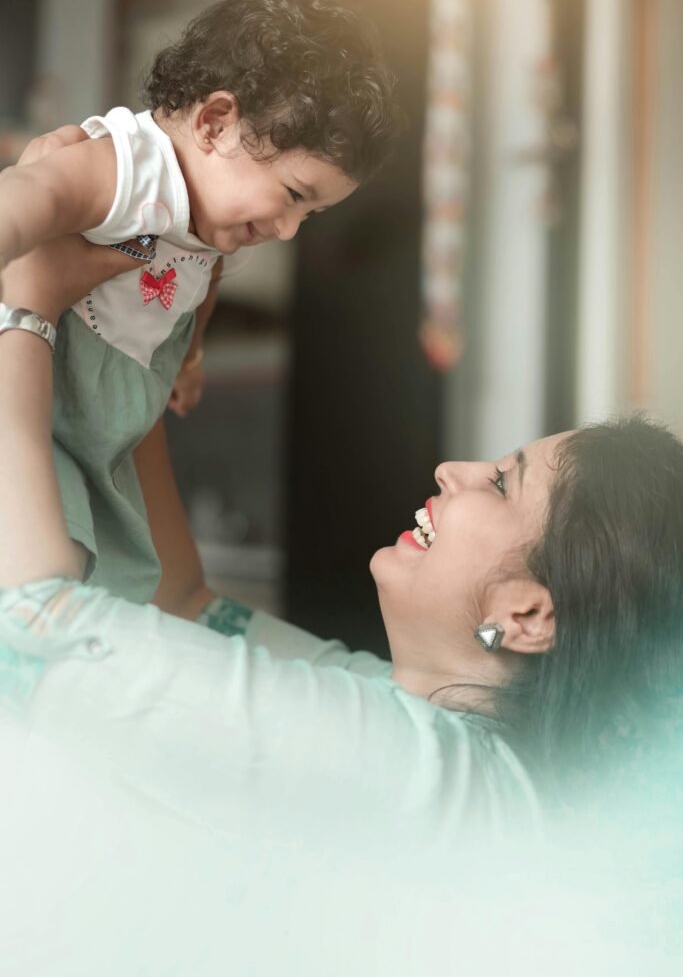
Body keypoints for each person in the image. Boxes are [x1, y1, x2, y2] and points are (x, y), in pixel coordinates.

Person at [1, 313, 682, 971]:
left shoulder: (437, 782)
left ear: (530, 615)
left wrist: (24, 307)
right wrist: (145, 343)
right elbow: (184, 603)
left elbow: (32, 622)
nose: (453, 469)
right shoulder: (425, 724)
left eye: (501, 483)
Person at [0, 0, 402, 620]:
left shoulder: (210, 216)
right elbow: (29, 195)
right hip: (49, 402)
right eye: (295, 196)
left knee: (128, 577)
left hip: (113, 417)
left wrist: (188, 354)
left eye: (312, 215)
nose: (288, 229)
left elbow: (202, 277)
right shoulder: (127, 167)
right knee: (55, 580)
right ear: (215, 123)